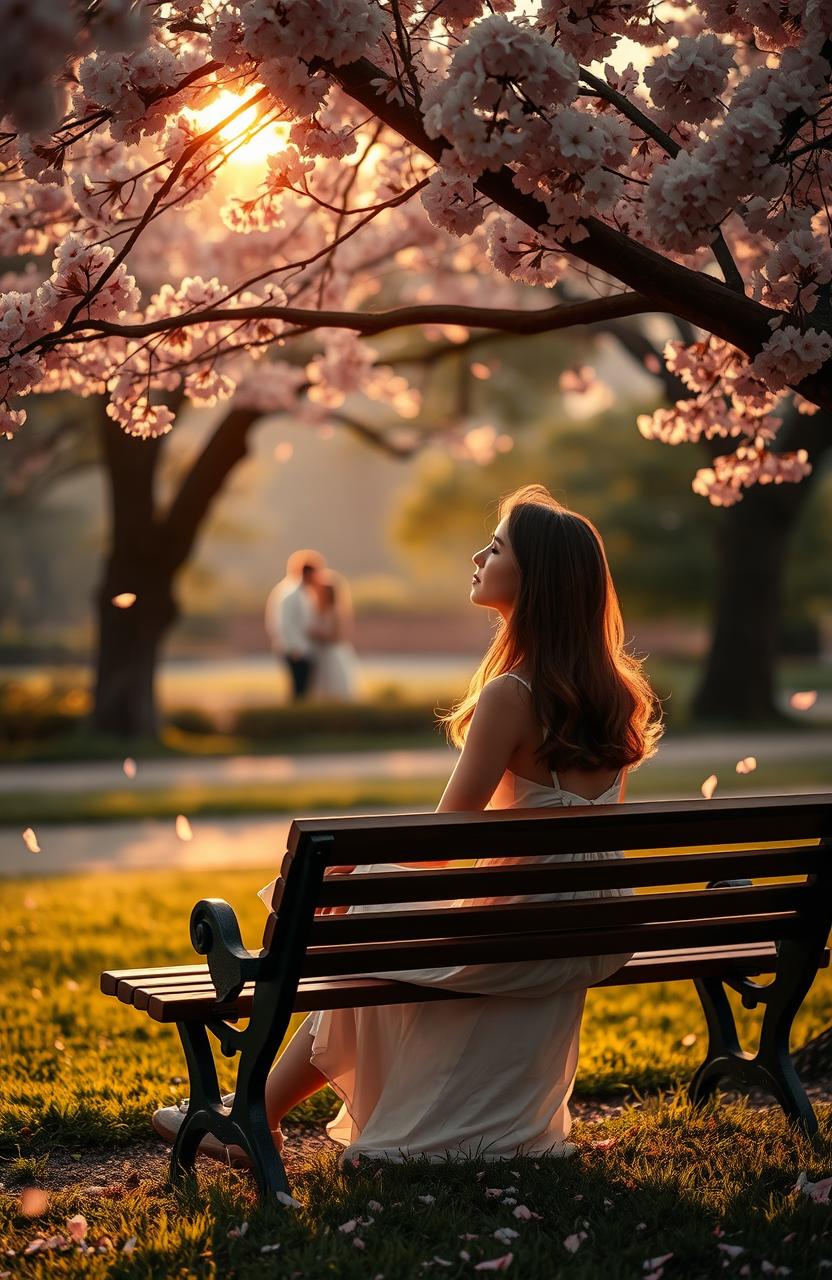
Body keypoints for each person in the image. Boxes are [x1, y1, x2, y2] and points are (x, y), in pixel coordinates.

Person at [153, 485, 664, 1167]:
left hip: (513, 937)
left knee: (334, 904)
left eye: (498, 546)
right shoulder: (617, 694)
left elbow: (442, 846)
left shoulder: (512, 695)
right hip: (589, 934)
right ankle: (252, 1117)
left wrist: (350, 876)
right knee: (354, 917)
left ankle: (250, 1118)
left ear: (534, 578)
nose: (479, 555)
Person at [264, 550, 326, 701]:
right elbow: (284, 624)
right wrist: (294, 648)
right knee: (299, 689)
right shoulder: (290, 594)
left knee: (303, 689)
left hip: (303, 649)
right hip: (295, 650)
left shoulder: (303, 594)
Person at [308, 570, 360, 702]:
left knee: (335, 685)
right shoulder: (318, 610)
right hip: (321, 654)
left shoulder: (336, 612)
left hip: (333, 654)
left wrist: (315, 634)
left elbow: (337, 636)